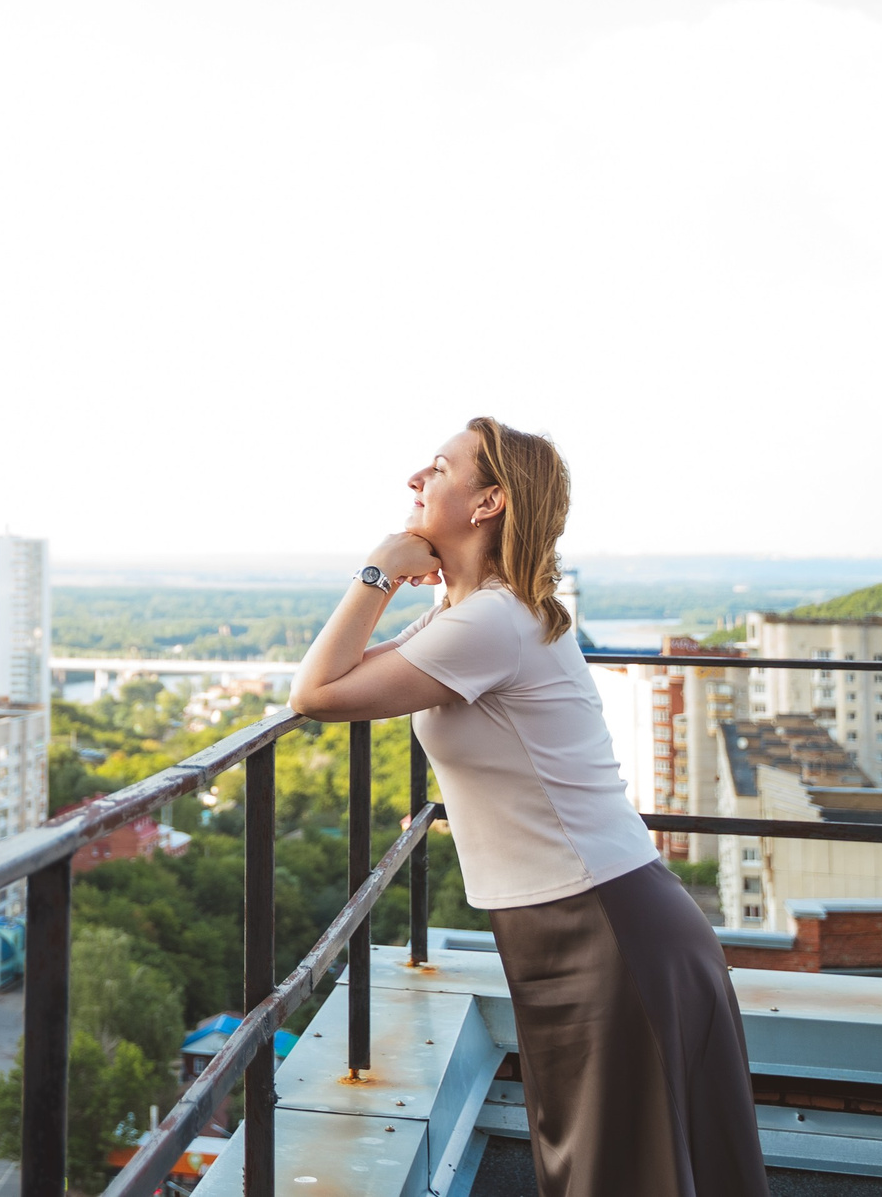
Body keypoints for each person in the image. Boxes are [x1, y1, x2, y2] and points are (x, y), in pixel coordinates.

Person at [289, 418, 766, 1197]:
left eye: (438, 467)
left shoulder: (491, 623)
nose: (415, 477)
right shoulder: (470, 614)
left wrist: (377, 566)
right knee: (611, 1165)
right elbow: (341, 673)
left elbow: (315, 692)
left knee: (611, 1173)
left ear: (489, 501)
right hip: (594, 918)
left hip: (601, 929)